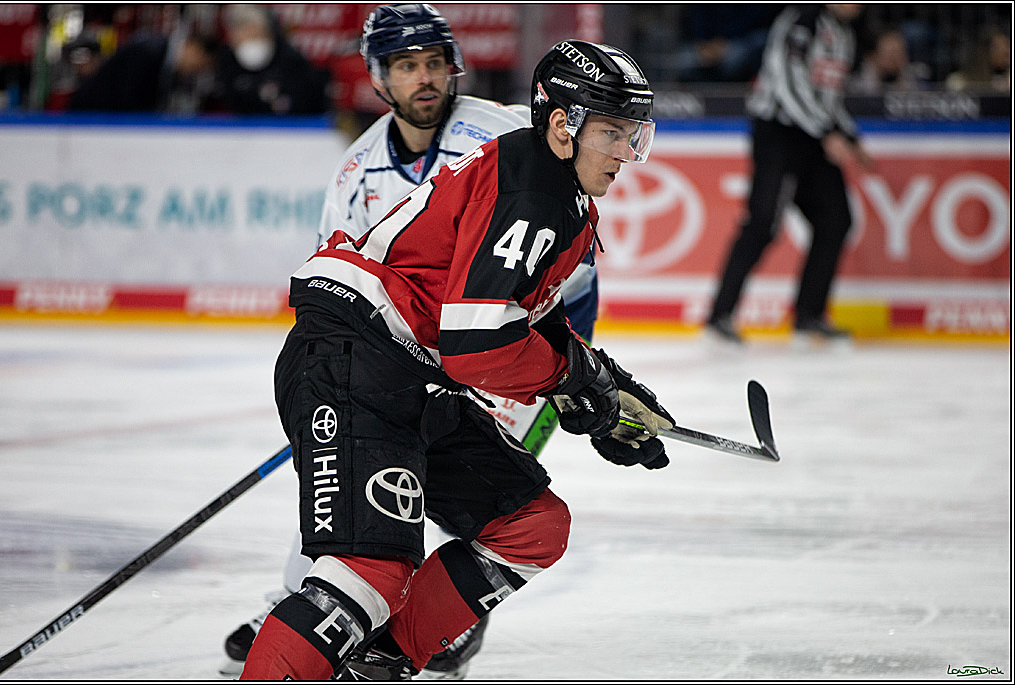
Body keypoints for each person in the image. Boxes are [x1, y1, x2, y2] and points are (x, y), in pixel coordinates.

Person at [239, 38, 673, 681]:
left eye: (632, 133)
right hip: (354, 357)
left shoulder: (556, 189)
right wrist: (573, 382)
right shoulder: (533, 189)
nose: (624, 151)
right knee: (370, 572)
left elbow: (519, 315)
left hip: (407, 375)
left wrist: (603, 385)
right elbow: (479, 346)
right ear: (563, 124)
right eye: (611, 132)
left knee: (532, 526)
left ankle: (382, 663)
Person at [705, 4, 873, 346]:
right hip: (779, 134)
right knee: (763, 223)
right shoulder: (801, 20)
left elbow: (829, 95)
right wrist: (829, 132)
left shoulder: (845, 33)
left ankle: (809, 316)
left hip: (813, 137)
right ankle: (720, 315)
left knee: (836, 220)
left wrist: (850, 136)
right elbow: (788, 83)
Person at [67, 27, 217, 112]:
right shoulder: (149, 53)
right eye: (203, 63)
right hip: (89, 116)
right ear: (194, 49)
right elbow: (128, 98)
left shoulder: (163, 60)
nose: (198, 70)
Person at [213, 4, 327, 115]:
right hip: (243, 127)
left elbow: (307, 101)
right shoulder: (227, 61)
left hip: (289, 125)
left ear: (266, 31)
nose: (248, 37)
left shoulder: (290, 59)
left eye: (253, 32)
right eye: (241, 32)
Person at [849, 28, 928, 95]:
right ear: (872, 57)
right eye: (890, 53)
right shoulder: (855, 87)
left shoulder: (917, 79)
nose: (895, 58)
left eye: (900, 52)